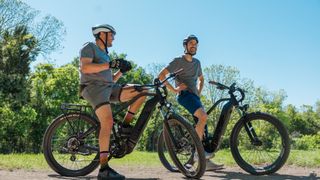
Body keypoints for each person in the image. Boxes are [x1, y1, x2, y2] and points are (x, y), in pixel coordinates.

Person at [79, 24, 146, 180]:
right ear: (101, 34)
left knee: (141, 91)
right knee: (108, 122)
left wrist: (121, 71)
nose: (114, 38)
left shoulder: (105, 55)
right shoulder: (89, 47)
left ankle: (125, 126)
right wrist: (109, 64)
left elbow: (110, 79)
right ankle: (103, 169)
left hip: (108, 87)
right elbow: (86, 68)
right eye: (112, 35)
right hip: (93, 88)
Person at [158, 34, 224, 171]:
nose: (194, 45)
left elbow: (201, 79)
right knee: (203, 117)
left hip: (195, 97)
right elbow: (161, 75)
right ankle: (197, 154)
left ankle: (205, 162)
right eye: (191, 43)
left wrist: (199, 92)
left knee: (204, 128)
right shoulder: (178, 61)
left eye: (196, 44)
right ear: (185, 45)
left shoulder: (197, 63)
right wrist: (174, 90)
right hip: (185, 96)